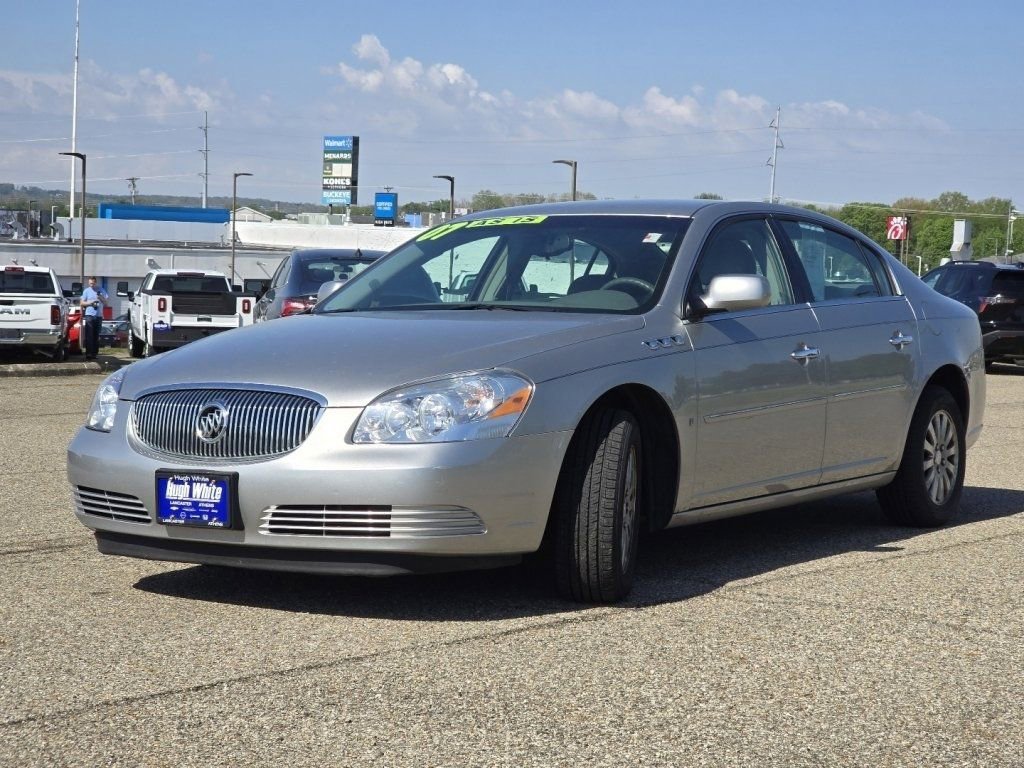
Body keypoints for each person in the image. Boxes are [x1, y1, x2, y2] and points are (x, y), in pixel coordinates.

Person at [79, 276, 108, 360]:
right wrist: (90, 303)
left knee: (96, 335)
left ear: (96, 282)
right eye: (90, 283)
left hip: (98, 316)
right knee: (89, 335)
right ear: (89, 283)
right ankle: (88, 354)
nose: (92, 285)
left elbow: (106, 303)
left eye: (93, 283)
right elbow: (81, 303)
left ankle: (94, 354)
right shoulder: (86, 291)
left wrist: (100, 297)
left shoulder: (101, 290)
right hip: (89, 315)